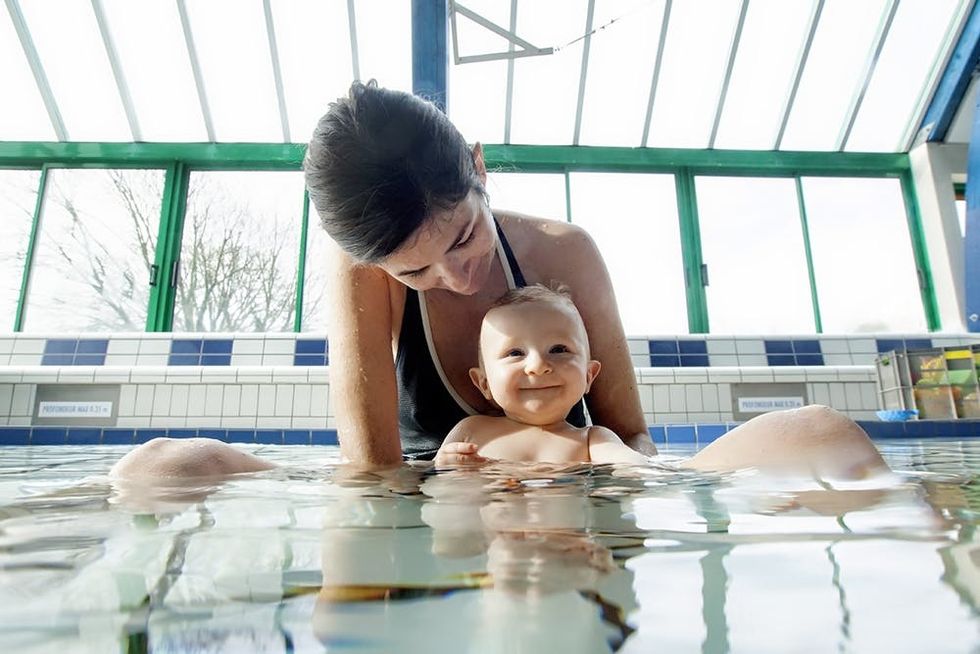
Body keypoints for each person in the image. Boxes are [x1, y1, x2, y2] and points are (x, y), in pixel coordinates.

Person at [112, 80, 888, 481]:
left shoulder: (564, 252)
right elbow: (372, 467)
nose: (453, 276)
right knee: (158, 465)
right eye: (414, 271)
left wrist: (604, 480)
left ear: (479, 169)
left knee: (823, 430)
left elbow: (635, 433)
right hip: (428, 485)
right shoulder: (360, 265)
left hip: (573, 479)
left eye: (464, 235)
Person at [434, 285, 647, 465]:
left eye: (558, 350)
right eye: (515, 353)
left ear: (588, 376)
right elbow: (437, 492)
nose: (538, 366)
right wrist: (446, 469)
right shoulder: (470, 431)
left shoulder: (593, 441)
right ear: (484, 383)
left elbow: (634, 470)